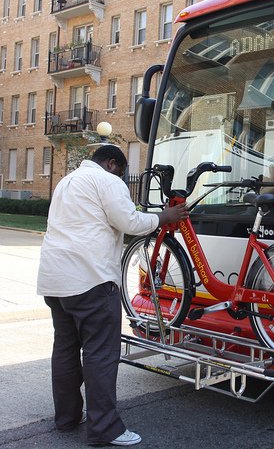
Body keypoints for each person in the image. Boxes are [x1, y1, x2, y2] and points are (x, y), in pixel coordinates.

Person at [37, 145, 188, 446]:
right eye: (122, 171)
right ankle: (105, 428)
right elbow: (130, 222)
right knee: (101, 355)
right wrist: (164, 216)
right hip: (91, 281)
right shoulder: (107, 181)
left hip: (54, 281)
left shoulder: (66, 182)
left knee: (65, 351)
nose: (122, 179)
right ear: (112, 164)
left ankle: (67, 418)